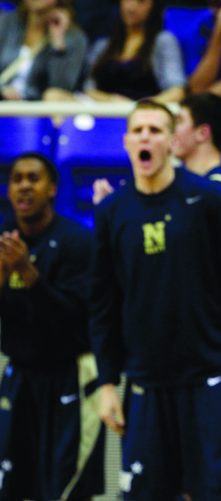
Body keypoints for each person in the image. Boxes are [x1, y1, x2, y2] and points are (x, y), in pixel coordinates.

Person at [90, 99, 221, 499]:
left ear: (172, 141)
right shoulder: (112, 211)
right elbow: (103, 305)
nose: (145, 138)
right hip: (145, 385)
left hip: (211, 379)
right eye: (138, 130)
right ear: (126, 142)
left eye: (155, 130)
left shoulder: (210, 199)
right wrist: (106, 383)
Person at [0, 153, 104, 499]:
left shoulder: (77, 242)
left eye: (34, 179)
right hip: (19, 377)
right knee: (11, 486)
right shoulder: (3, 241)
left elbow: (76, 320)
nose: (24, 186)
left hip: (68, 376)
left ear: (52, 189)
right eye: (17, 179)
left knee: (65, 490)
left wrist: (29, 276)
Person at [62, 0, 185, 103]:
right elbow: (88, 88)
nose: (131, 7)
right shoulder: (103, 45)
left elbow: (177, 91)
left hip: (144, 115)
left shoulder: (163, 42)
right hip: (103, 112)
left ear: (153, 6)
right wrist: (111, 100)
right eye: (127, 0)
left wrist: (138, 107)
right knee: (56, 95)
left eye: (140, 1)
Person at [0, 0, 87, 100]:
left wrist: (58, 44)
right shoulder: (6, 23)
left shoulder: (74, 38)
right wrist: (2, 90)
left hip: (38, 105)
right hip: (2, 100)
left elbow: (61, 88)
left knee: (52, 95)